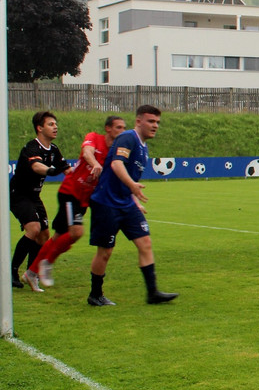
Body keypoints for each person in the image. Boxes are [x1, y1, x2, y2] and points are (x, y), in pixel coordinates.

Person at [86, 104, 178, 306]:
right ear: (138, 121)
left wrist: (134, 198)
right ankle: (95, 294)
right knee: (105, 251)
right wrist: (133, 187)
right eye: (151, 121)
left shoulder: (144, 147)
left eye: (157, 122)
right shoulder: (128, 138)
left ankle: (152, 293)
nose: (155, 126)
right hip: (106, 203)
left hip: (126, 203)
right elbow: (116, 164)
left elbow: (128, 176)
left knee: (145, 243)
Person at [29, 115, 127, 286]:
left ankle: (31, 272)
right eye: (118, 127)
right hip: (70, 191)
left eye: (124, 128)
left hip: (84, 198)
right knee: (76, 232)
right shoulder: (93, 138)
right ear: (108, 128)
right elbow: (87, 152)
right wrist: (95, 163)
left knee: (59, 237)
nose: (122, 131)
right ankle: (48, 263)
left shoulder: (116, 152)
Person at [9, 111, 68, 291]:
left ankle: (31, 274)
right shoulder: (31, 147)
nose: (55, 127)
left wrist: (84, 180)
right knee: (33, 228)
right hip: (18, 194)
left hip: (34, 196)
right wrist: (51, 171)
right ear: (39, 128)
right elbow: (36, 166)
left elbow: (67, 170)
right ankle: (12, 272)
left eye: (55, 124)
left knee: (43, 236)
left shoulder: (54, 150)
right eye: (51, 124)